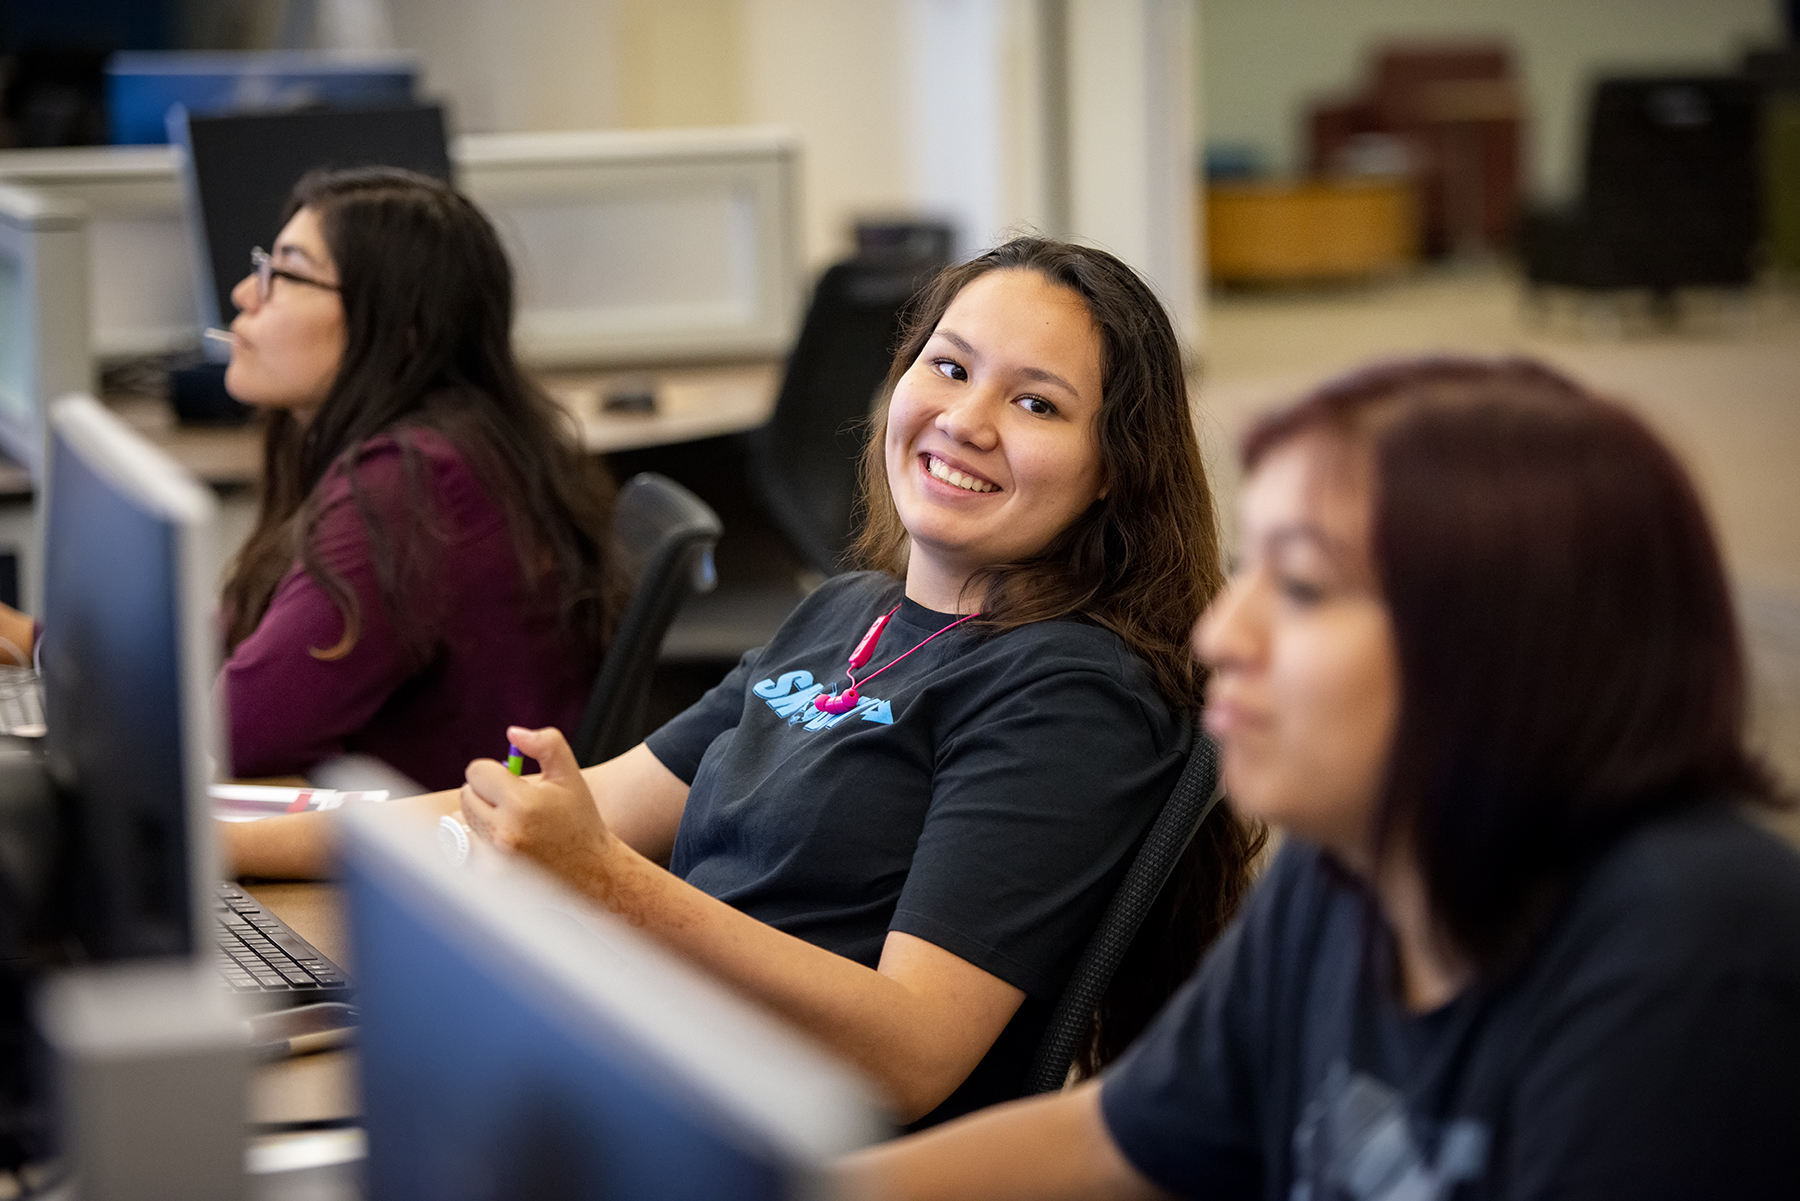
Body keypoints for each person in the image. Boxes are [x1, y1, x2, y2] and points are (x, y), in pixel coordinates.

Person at [225, 237, 1265, 1127]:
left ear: (1114, 466)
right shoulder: (848, 612)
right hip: (647, 1054)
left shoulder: (1071, 694)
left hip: (757, 1133)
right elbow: (574, 808)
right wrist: (218, 841)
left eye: (1036, 402)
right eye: (948, 369)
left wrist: (605, 882)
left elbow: (912, 1051)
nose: (968, 420)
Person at [838, 357, 1800, 1197]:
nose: (1221, 636)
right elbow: (1118, 1136)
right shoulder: (1355, 863)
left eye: (1299, 586)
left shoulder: (1695, 950)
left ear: (1500, 647)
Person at [20, 167, 621, 790]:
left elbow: (234, 736)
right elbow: (242, 636)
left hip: (426, 862)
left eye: (285, 274)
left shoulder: (410, 487)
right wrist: (33, 641)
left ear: (400, 326)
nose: (245, 295)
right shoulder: (449, 444)